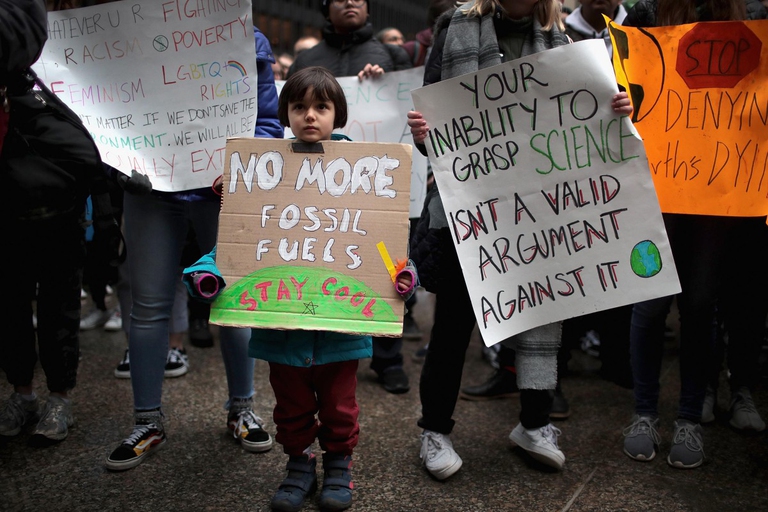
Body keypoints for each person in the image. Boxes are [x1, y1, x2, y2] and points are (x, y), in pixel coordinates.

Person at [406, 0, 634, 477]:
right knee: (452, 324)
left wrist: (618, 108)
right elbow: (432, 122)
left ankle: (533, 424)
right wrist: (424, 130)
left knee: (542, 312)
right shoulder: (455, 27)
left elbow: (590, 119)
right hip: (471, 210)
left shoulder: (567, 42)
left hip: (539, 211)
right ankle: (435, 431)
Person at [184, 66, 419, 512]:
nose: (310, 116)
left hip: (340, 333)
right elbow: (237, 243)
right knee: (289, 409)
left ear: (338, 114)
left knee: (340, 408)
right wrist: (206, 274)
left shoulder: (367, 175)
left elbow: (385, 242)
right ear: (286, 112)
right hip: (281, 334)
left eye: (321, 107)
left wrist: (405, 276)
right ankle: (298, 464)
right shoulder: (261, 174)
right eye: (299, 107)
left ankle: (338, 466)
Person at [104, 26, 284, 471]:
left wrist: (239, 161)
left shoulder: (248, 38)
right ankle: (147, 420)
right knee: (147, 304)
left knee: (234, 301)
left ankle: (242, 408)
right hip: (150, 187)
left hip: (220, 190)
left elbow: (267, 122)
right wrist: (117, 161)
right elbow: (107, 113)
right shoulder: (135, 33)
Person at [620, 0, 767, 469]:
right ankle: (644, 413)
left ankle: (687, 417)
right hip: (654, 190)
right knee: (648, 303)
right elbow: (614, 78)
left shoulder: (749, 14)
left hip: (714, 197)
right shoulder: (644, 13)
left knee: (700, 304)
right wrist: (621, 98)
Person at [286, 0, 414, 394]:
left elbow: (407, 107)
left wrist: (383, 79)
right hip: (308, 192)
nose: (352, 2)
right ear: (327, 8)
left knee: (376, 259)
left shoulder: (389, 54)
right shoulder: (307, 58)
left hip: (367, 192)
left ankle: (388, 358)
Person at [0, 0, 85, 446]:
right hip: (8, 223)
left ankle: (59, 397)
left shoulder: (40, 93)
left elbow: (86, 153)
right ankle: (22, 393)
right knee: (9, 309)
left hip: (57, 222)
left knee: (58, 309)